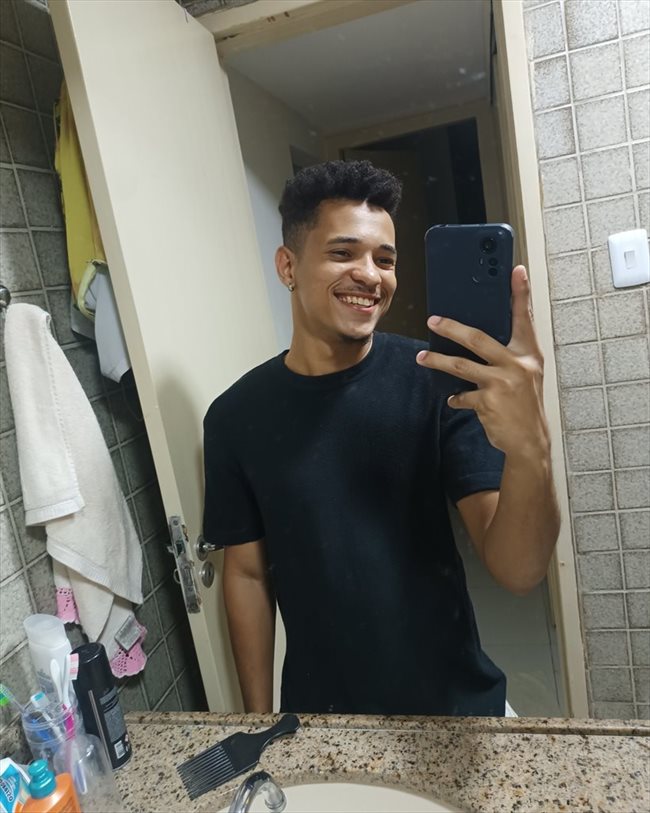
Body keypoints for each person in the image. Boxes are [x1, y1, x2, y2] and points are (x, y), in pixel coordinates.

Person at [202, 160, 560, 717]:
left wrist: (532, 448)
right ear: (288, 265)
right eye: (343, 253)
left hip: (455, 705)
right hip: (323, 716)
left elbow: (519, 569)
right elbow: (246, 575)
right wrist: (258, 721)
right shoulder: (234, 416)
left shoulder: (436, 380)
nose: (370, 275)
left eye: (385, 259)